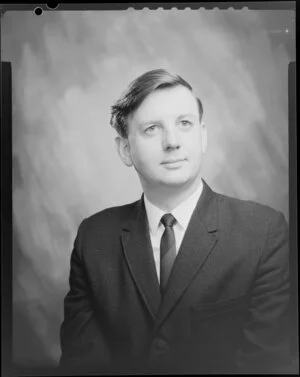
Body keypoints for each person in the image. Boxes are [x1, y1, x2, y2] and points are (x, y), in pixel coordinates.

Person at [59, 69, 292, 374]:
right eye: (152, 128)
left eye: (184, 124)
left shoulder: (263, 232)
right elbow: (82, 366)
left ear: (203, 135)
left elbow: (266, 363)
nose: (172, 142)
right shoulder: (93, 238)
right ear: (125, 149)